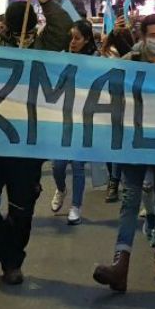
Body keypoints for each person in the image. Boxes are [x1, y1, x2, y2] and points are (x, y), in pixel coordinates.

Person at [0, 0, 69, 285]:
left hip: (27, 144)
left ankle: (12, 262)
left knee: (21, 210)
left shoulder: (43, 49)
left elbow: (63, 26)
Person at [92, 15, 155, 292]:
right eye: (152, 35)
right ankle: (120, 263)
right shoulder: (128, 63)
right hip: (134, 140)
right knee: (130, 200)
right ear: (143, 37)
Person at [51, 20, 97, 226]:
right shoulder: (63, 58)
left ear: (86, 40)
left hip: (85, 120)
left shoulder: (97, 61)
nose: (72, 42)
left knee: (78, 165)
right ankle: (61, 189)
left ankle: (76, 206)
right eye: (71, 37)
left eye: (77, 38)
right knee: (58, 165)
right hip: (63, 118)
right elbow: (55, 89)